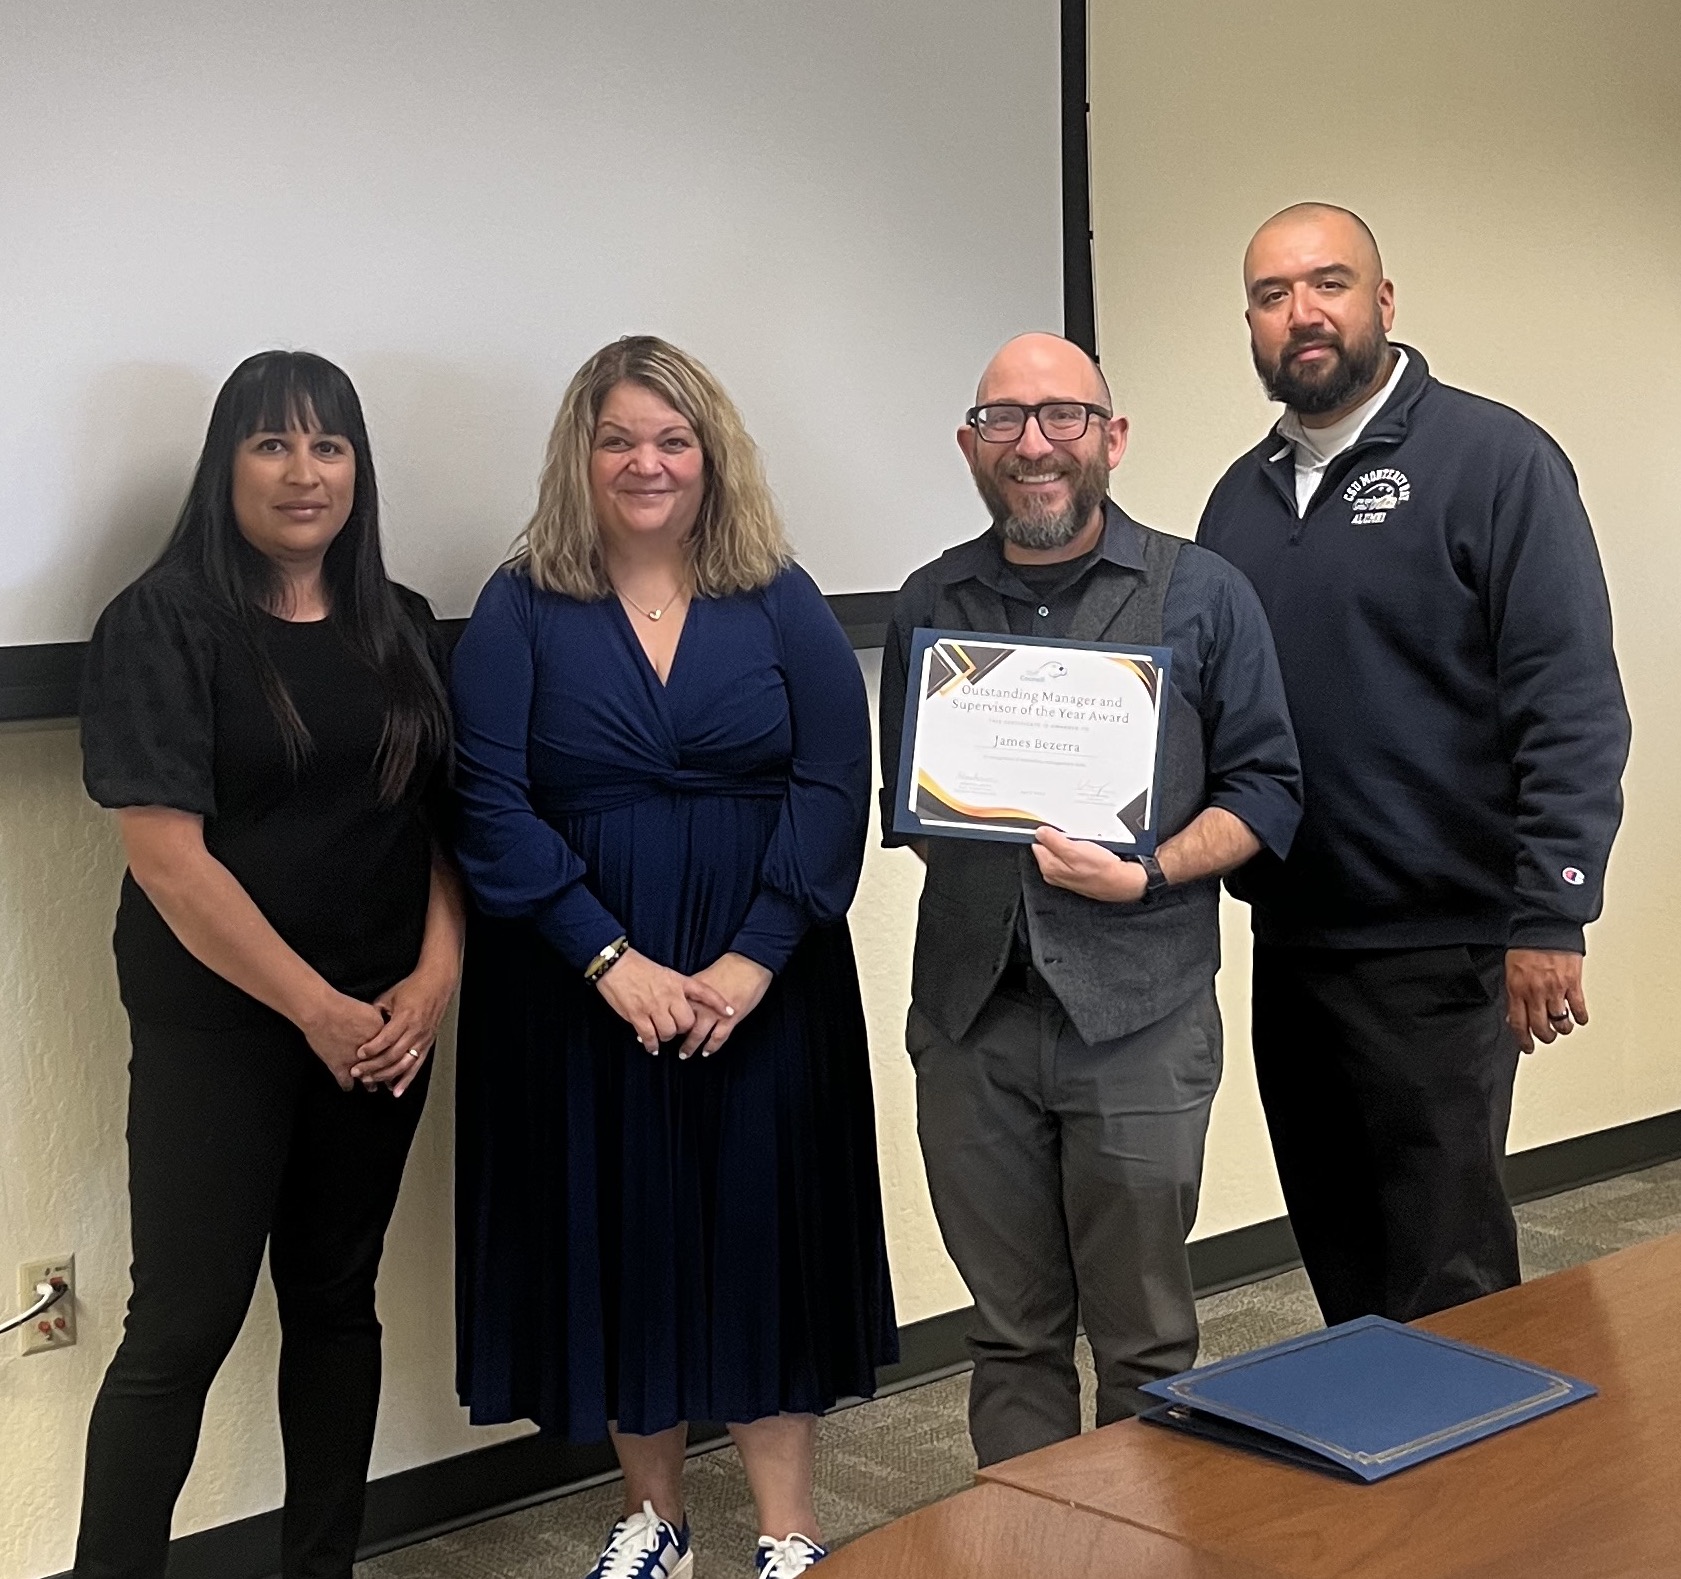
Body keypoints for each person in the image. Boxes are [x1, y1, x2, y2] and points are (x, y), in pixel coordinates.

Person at [450, 335, 895, 1579]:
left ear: (711, 455)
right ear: (580, 458)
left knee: (761, 1233)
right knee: (619, 1233)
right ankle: (656, 1519)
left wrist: (752, 960)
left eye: (672, 438)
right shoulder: (520, 603)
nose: (646, 462)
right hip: (581, 986)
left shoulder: (779, 595)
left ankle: (786, 1531)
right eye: (618, 439)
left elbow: (827, 780)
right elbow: (487, 799)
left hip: (768, 979)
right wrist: (610, 960)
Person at [1196, 203, 1631, 1325]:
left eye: (1328, 284)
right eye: (1272, 294)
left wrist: (1550, 915)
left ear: (1382, 304)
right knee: (1340, 1255)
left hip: (1446, 950)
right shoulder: (1235, 503)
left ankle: (1489, 1499)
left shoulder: (1494, 461)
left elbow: (1571, 703)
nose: (1302, 314)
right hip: (1293, 946)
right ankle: (1381, 1497)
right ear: (1249, 321)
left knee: (1448, 1271)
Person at [879, 332, 1302, 1468]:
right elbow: (914, 810)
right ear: (972, 445)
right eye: (1004, 420)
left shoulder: (1202, 593)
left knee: (1146, 1342)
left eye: (1062, 416)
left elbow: (1268, 790)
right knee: (1010, 1335)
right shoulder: (930, 599)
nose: (1034, 443)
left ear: (1109, 438)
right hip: (973, 1023)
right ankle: (1028, 1542)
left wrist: (1148, 869)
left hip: (1141, 1018)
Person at [74, 351, 462, 1579]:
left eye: (330, 446)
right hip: (226, 1030)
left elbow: (447, 832)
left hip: (387, 1029)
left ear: (359, 467)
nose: (305, 473)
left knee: (338, 1306)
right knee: (180, 1328)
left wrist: (431, 982)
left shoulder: (397, 623)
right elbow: (168, 861)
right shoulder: (161, 621)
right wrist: (318, 1011)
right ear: (223, 466)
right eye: (272, 445)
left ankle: (322, 1567)